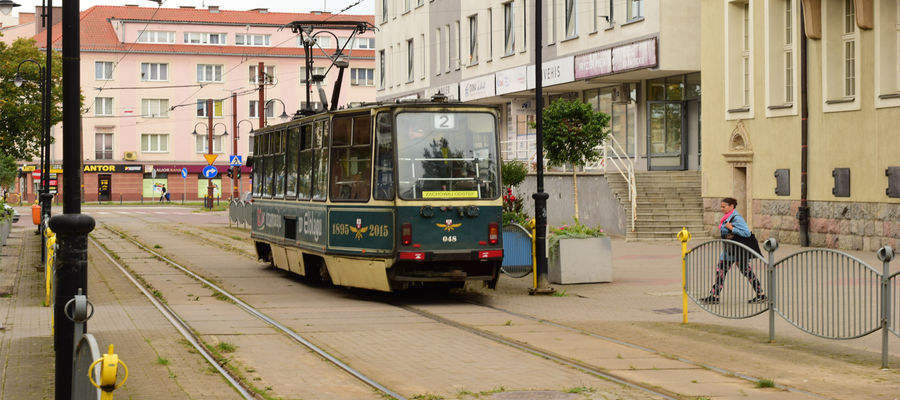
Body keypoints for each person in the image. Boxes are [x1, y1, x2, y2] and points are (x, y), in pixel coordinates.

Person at [699, 197, 766, 304]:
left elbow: (747, 233)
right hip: (730, 250)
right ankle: (715, 295)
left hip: (736, 251)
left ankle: (760, 294)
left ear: (731, 206)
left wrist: (732, 228)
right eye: (721, 206)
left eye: (723, 206)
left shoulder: (736, 218)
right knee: (725, 271)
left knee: (729, 271)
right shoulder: (727, 217)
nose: (721, 209)